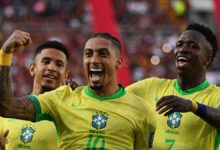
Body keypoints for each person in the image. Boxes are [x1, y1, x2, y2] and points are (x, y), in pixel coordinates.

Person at [0, 32, 156, 149]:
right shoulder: (62, 98)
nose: (94, 60)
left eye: (103, 54)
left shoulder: (142, 110)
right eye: (88, 54)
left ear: (119, 62)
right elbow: (6, 107)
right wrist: (5, 55)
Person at [126, 23, 220, 149]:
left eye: (193, 46)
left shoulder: (215, 96)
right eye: (179, 45)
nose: (183, 49)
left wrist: (193, 106)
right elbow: (114, 100)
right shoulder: (151, 86)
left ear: (207, 59)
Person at [0, 30, 77, 149]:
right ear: (32, 68)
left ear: (66, 75)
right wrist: (5, 53)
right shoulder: (6, 114)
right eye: (46, 61)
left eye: (59, 64)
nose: (51, 68)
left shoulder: (71, 118)